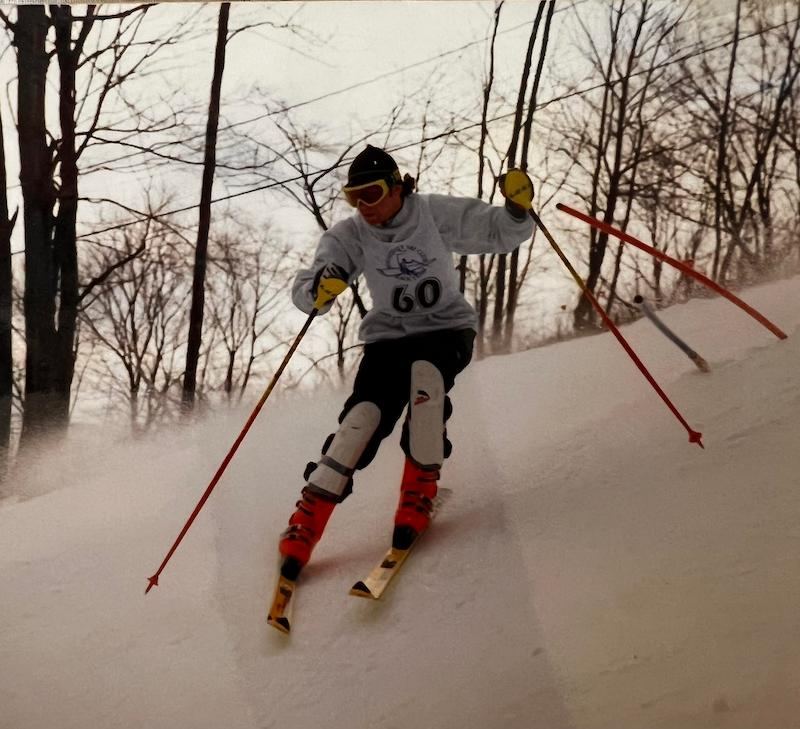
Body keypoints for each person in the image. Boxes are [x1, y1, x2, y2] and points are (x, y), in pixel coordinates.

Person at [278, 144, 534, 580]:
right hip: (388, 340)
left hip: (446, 330)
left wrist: (516, 209)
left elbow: (498, 232)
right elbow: (309, 290)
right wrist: (319, 289)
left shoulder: (432, 214)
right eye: (354, 197)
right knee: (362, 418)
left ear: (397, 187)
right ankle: (310, 514)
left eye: (372, 194)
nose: (364, 206)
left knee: (426, 383)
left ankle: (418, 491)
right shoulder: (349, 235)